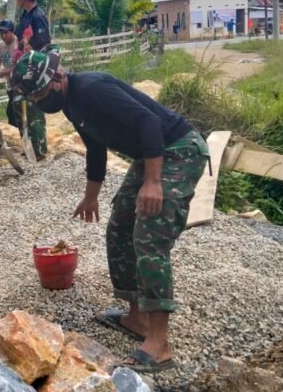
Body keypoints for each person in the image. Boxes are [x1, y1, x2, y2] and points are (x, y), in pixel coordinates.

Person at [14, 48, 210, 374]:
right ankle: (137, 318)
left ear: (58, 79)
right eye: (33, 98)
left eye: (40, 95)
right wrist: (91, 197)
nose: (39, 103)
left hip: (178, 149)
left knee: (149, 236)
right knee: (119, 224)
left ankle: (159, 344)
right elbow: (95, 147)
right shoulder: (71, 104)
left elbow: (148, 122)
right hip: (150, 154)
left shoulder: (92, 89)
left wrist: (153, 182)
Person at [14, 0, 51, 161]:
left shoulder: (38, 16)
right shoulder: (25, 15)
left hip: (35, 67)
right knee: (21, 106)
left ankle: (40, 150)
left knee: (34, 108)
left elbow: (44, 44)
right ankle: (29, 146)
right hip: (24, 65)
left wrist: (33, 57)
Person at [0, 20, 21, 128]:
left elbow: (17, 67)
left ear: (12, 32)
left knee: (16, 112)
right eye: (1, 33)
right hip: (10, 84)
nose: (3, 35)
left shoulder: (19, 44)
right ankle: (21, 135)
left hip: (21, 84)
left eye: (5, 32)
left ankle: (25, 135)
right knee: (12, 114)